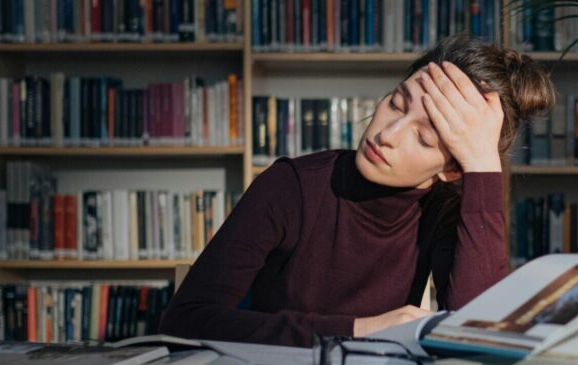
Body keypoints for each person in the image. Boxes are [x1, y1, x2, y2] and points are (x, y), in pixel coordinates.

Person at [158, 34, 556, 347]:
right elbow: (185, 319)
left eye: (422, 138)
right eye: (397, 105)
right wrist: (361, 329)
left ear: (452, 169)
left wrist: (483, 167)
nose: (387, 135)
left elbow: (476, 337)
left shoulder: (447, 210)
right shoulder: (290, 186)